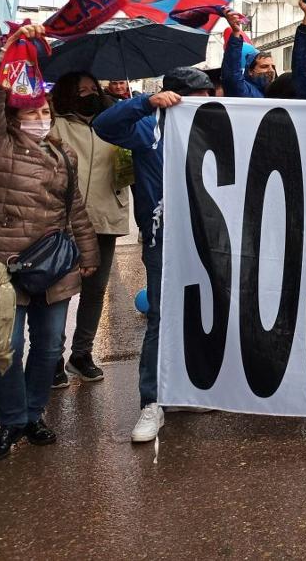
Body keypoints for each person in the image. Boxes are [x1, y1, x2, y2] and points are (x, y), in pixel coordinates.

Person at [0, 24, 100, 464]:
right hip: (4, 270)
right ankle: (9, 423)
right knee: (7, 347)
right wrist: (9, 49)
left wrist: (88, 254)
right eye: (31, 112)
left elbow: (74, 209)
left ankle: (32, 414)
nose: (40, 118)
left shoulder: (64, 156)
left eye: (45, 112)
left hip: (55, 269)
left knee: (48, 348)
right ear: (14, 115)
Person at [93, 66, 213, 444]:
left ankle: (182, 390)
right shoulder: (149, 128)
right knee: (161, 315)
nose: (208, 103)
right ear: (174, 99)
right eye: (199, 97)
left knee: (199, 311)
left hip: (207, 237)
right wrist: (145, 102)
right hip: (164, 238)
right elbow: (105, 125)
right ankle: (152, 401)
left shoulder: (215, 129)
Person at [49, 72, 130, 385]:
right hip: (65, 221)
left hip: (107, 216)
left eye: (93, 88)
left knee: (95, 291)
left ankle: (82, 353)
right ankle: (52, 356)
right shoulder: (56, 125)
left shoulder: (114, 122)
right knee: (60, 290)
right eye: (81, 90)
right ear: (69, 94)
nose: (89, 94)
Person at [221, 11, 275, 98]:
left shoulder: (277, 92)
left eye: (273, 66)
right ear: (250, 71)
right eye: (264, 66)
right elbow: (232, 75)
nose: (271, 70)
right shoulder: (244, 90)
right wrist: (235, 33)